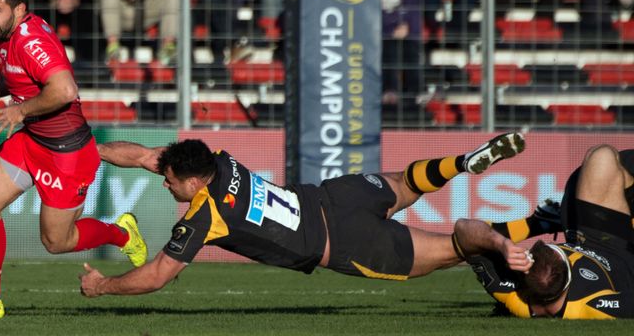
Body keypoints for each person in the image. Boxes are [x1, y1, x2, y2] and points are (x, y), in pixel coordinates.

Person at [78, 132, 525, 297]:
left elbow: (157, 275)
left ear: (192, 183)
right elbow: (146, 157)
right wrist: (88, 152)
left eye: (170, 180)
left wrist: (102, 287)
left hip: (347, 244)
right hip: (338, 196)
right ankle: (462, 163)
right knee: (408, 183)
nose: (165, 184)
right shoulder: (217, 157)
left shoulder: (203, 214)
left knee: (456, 249)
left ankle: (521, 233)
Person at [0, 0, 147, 319]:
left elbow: (64, 90)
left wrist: (20, 110)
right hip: (31, 140)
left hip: (66, 153)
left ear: (19, 9)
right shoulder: (5, 34)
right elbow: (14, 76)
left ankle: (121, 234)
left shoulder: (30, 41)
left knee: (56, 242)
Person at [453, 144, 634, 319]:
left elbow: (463, 229)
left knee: (597, 159)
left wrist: (502, 244)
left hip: (585, 235)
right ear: (569, 272)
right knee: (600, 157)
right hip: (616, 247)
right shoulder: (595, 307)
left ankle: (546, 221)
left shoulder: (514, 295)